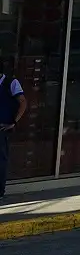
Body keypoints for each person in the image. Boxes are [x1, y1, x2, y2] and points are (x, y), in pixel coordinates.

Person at [0, 67, 28, 197]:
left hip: (2, 128)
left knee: (1, 159)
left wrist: (14, 122)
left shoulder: (11, 83)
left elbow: (22, 102)